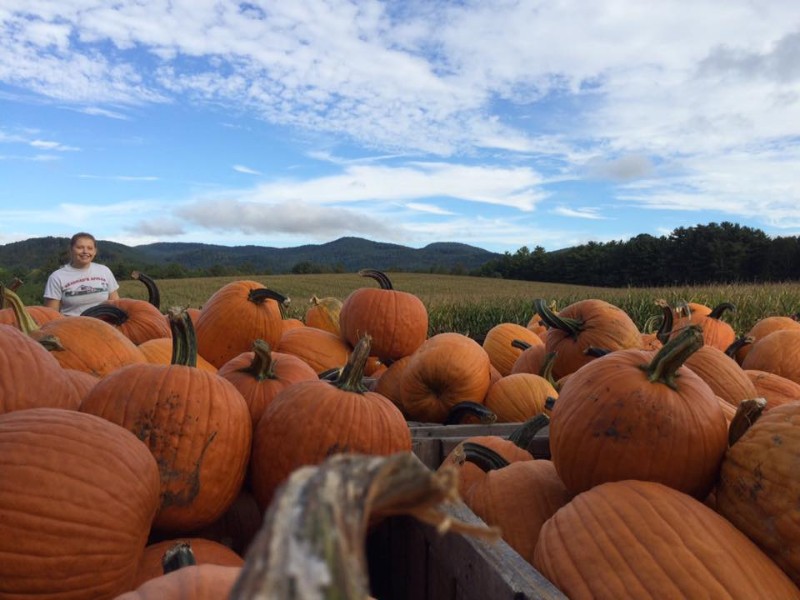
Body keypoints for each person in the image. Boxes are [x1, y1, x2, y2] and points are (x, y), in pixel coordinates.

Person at [43, 232, 120, 316]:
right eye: (80, 247)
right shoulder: (56, 277)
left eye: (90, 248)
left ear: (95, 251)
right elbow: (50, 315)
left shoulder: (104, 271)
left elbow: (115, 302)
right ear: (71, 250)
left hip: (105, 324)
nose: (85, 251)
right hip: (73, 327)